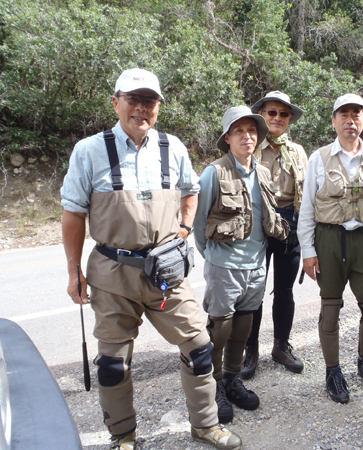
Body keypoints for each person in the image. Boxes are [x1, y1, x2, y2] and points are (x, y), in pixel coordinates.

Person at [61, 68, 241, 450]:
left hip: (166, 273)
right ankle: (123, 436)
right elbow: (74, 213)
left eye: (149, 101)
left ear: (158, 107)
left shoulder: (172, 147)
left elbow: (190, 192)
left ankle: (206, 425)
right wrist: (74, 270)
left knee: (199, 346)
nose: (141, 109)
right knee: (112, 365)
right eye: (133, 99)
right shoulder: (90, 150)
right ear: (116, 102)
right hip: (111, 274)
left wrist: (185, 229)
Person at [193, 105, 289, 424]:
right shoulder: (214, 173)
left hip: (256, 268)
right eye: (239, 131)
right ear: (227, 138)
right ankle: (215, 385)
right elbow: (198, 224)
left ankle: (233, 380)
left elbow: (266, 219)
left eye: (252, 131)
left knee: (243, 330)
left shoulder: (263, 173)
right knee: (219, 331)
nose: (247, 136)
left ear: (258, 137)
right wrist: (214, 259)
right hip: (224, 268)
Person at [297, 93, 363, 403]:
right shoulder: (318, 157)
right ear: (334, 120)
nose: (350, 120)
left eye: (357, 114)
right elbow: (307, 208)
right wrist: (308, 251)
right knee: (330, 309)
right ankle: (333, 371)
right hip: (329, 240)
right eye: (344, 114)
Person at [238, 91, 308, 379]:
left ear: (289, 118)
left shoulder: (298, 152)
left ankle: (281, 346)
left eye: (283, 113)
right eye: (271, 113)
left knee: (285, 290)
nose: (277, 118)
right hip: (257, 224)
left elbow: (307, 195)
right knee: (253, 289)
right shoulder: (250, 148)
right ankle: (250, 349)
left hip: (290, 224)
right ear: (263, 116)